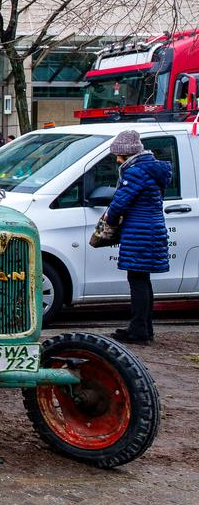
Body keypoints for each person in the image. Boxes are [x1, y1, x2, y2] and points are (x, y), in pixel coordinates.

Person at [103, 130, 172, 346]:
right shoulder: (150, 169)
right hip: (151, 229)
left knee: (137, 282)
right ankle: (144, 328)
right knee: (142, 280)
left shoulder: (135, 172)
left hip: (139, 232)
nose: (117, 159)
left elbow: (120, 202)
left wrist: (108, 218)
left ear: (127, 153)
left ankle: (138, 331)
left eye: (118, 154)